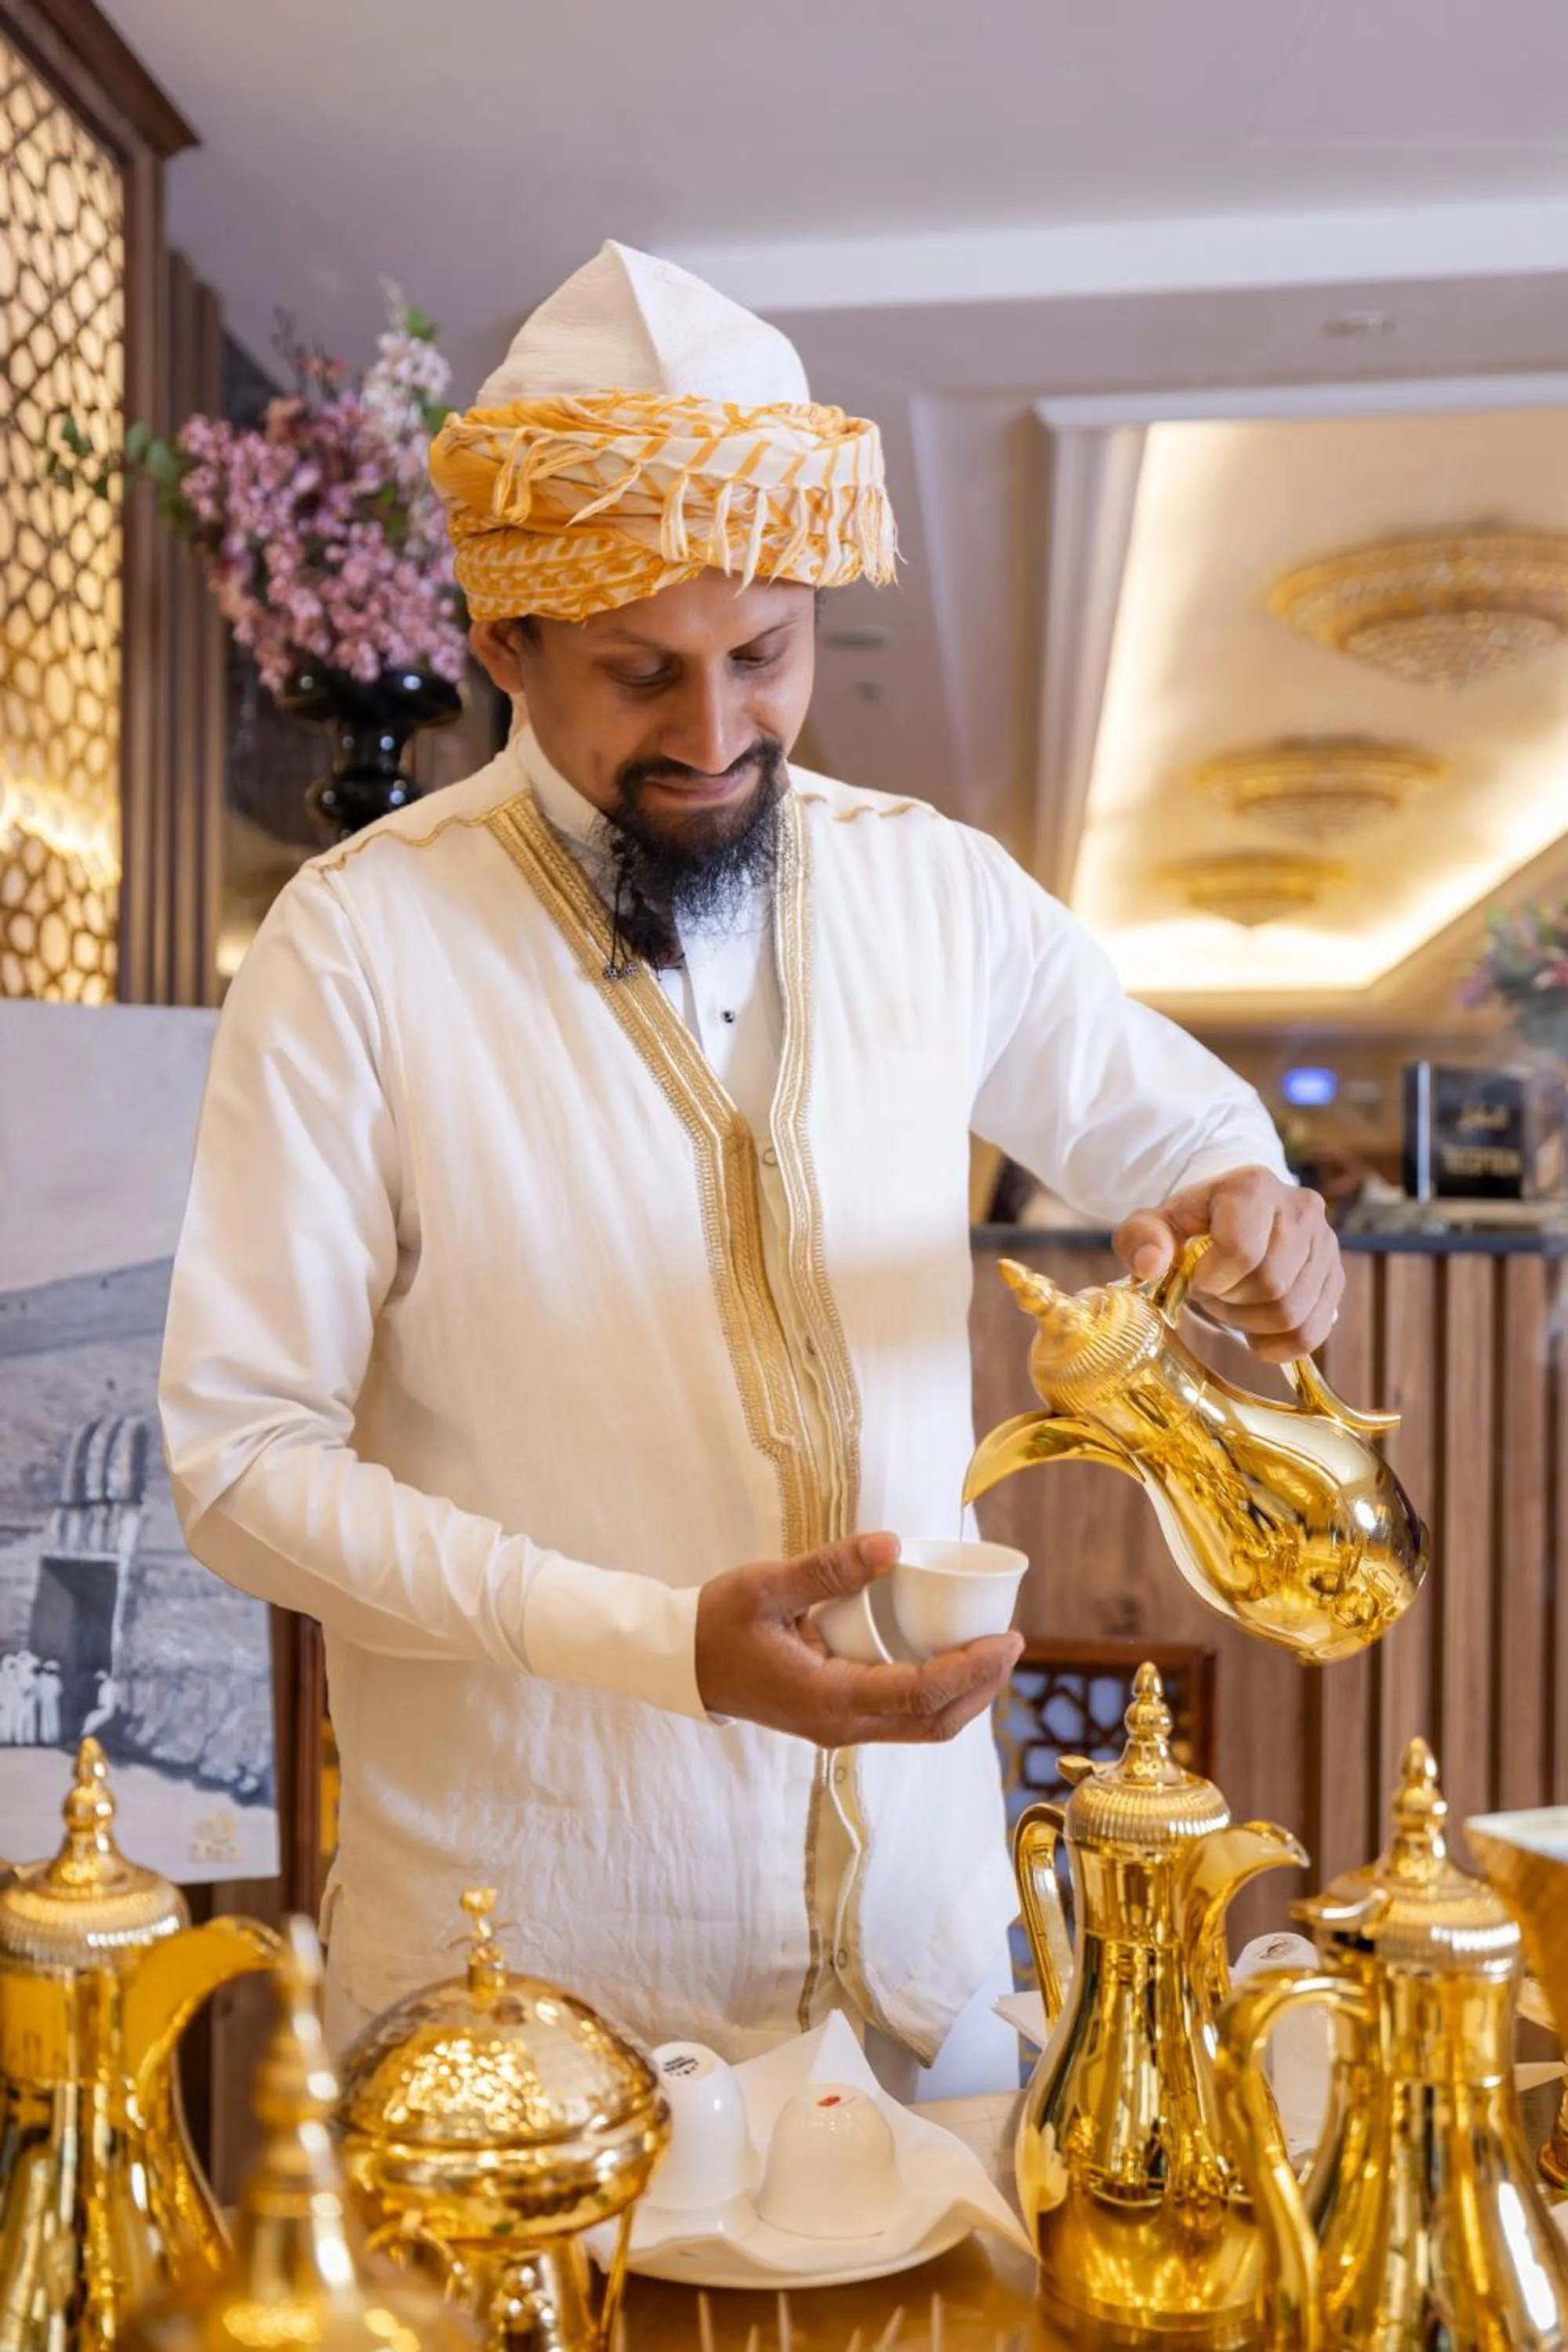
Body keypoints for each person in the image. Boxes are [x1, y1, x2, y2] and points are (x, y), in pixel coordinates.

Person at [160, 243, 1341, 2091]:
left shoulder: (931, 888)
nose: (713, 738)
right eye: (639, 676)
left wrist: (1259, 1219)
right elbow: (237, 1464)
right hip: (528, 2018)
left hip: (924, 1998)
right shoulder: (356, 945)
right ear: (502, 650)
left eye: (761, 656)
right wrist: (656, 1646)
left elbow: (1189, 1133)